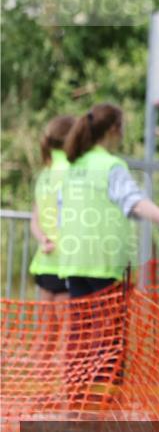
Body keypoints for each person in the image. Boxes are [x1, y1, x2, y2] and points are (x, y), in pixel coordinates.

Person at [59, 103, 159, 297]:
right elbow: (136, 203)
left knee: (81, 327)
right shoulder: (111, 166)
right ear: (114, 129)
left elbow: (61, 213)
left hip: (73, 261)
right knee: (108, 327)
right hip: (103, 263)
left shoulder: (73, 166)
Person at [29, 115, 75, 301]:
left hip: (44, 261)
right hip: (66, 263)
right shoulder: (74, 172)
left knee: (45, 329)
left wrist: (43, 240)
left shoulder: (44, 174)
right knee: (66, 329)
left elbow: (35, 220)